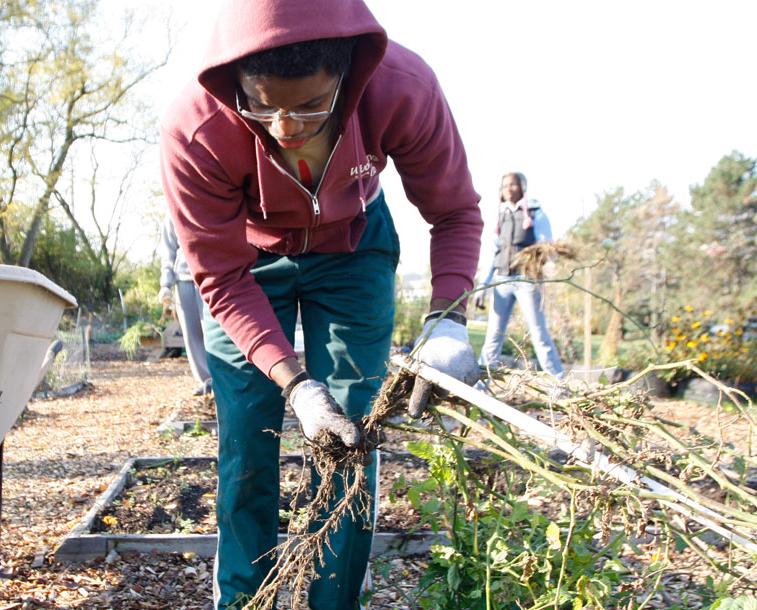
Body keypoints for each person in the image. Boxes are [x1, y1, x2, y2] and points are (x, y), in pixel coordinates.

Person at [159, 1, 483, 607]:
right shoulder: (196, 127)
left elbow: (455, 211)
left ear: (348, 76)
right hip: (248, 262)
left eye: (310, 105)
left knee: (350, 435)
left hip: (354, 247)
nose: (284, 126)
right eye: (264, 104)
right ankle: (243, 599)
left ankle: (333, 600)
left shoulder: (401, 89)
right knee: (247, 434)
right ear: (234, 83)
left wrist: (448, 323)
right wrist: (297, 384)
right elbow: (221, 277)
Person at [473, 172, 566, 380]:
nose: (508, 188)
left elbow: (546, 246)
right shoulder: (500, 214)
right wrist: (483, 284)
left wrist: (549, 264)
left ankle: (558, 384)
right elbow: (492, 251)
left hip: (527, 281)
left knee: (539, 334)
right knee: (493, 336)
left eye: (513, 185)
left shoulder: (535, 213)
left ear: (522, 187)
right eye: (505, 185)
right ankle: (480, 386)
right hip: (502, 281)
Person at [158, 215, 213, 396]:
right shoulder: (171, 215)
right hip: (183, 280)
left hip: (210, 276)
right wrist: (165, 284)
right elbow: (168, 252)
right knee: (192, 334)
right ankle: (206, 382)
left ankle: (222, 380)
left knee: (213, 331)